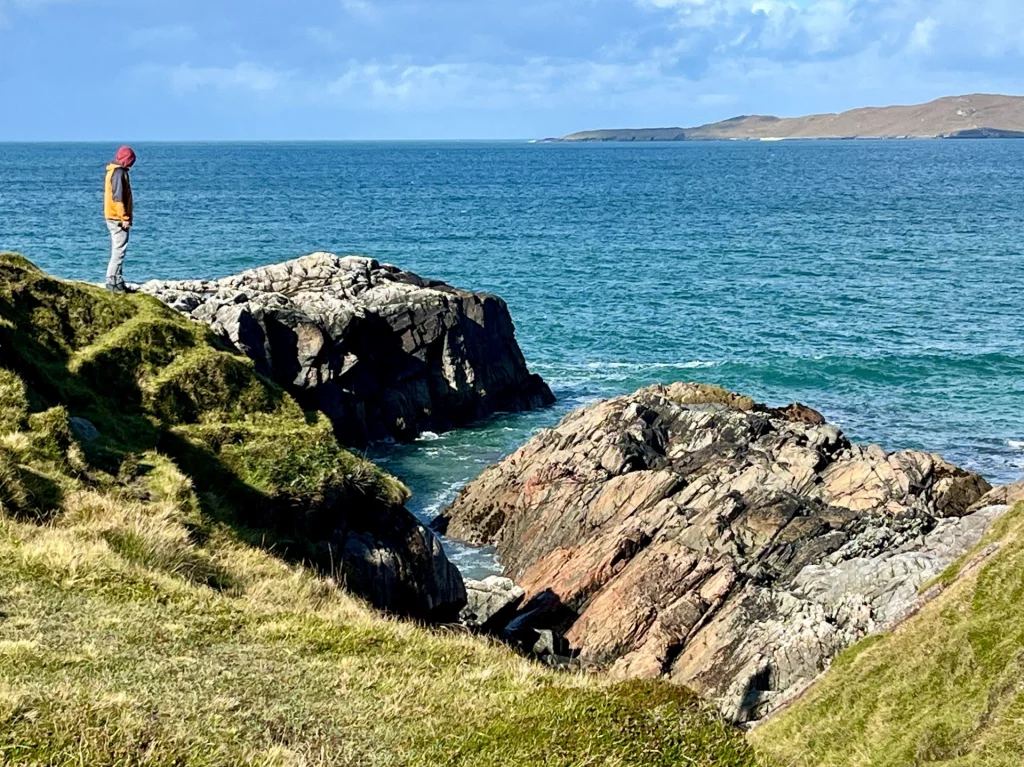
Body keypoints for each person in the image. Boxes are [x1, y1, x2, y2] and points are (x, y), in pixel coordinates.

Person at [103, 146, 136, 292]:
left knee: (118, 249)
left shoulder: (113, 171)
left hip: (112, 215)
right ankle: (112, 282)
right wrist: (125, 217)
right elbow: (118, 198)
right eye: (130, 161)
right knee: (119, 251)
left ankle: (117, 280)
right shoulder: (118, 173)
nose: (131, 165)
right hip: (117, 217)